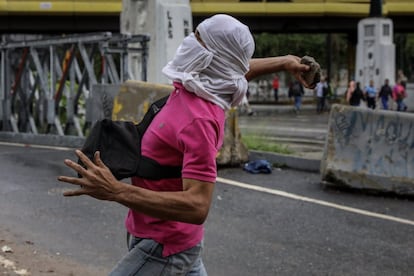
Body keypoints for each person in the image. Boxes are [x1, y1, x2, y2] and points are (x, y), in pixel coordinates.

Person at [57, 14, 314, 275]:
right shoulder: (200, 81)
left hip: (165, 246)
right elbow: (235, 67)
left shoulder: (200, 120)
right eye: (195, 34)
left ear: (211, 58)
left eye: (200, 40)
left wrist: (116, 191)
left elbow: (197, 205)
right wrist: (284, 62)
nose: (190, 41)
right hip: (154, 233)